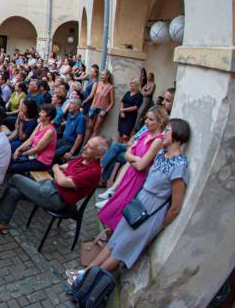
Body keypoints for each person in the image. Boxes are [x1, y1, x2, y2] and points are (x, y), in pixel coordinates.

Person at [70, 119, 190, 280]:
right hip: (140, 201)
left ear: (177, 135)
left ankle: (88, 280)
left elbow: (175, 206)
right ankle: (86, 272)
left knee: (121, 250)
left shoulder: (179, 164)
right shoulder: (162, 154)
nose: (163, 134)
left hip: (151, 210)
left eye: (167, 130)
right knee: (114, 241)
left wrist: (160, 224)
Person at [0, 136, 107, 234]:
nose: (84, 147)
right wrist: (60, 172)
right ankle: (2, 224)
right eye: (86, 144)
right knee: (13, 192)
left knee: (16, 178)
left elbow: (62, 181)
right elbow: (65, 168)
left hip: (56, 199)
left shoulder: (93, 172)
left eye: (90, 147)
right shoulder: (84, 158)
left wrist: (56, 168)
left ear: (98, 155)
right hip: (50, 187)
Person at [96, 106, 168, 228]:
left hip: (137, 182)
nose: (146, 121)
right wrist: (136, 159)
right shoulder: (145, 134)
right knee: (108, 213)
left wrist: (133, 159)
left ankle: (112, 238)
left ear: (160, 123)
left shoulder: (158, 141)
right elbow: (127, 155)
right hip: (128, 176)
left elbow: (141, 167)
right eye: (146, 118)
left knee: (117, 216)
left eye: (151, 119)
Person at [100, 88, 175, 184]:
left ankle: (102, 175)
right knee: (116, 146)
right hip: (135, 145)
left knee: (115, 154)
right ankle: (101, 172)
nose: (162, 102)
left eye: (167, 100)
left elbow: (141, 163)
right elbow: (139, 134)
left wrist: (132, 151)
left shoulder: (165, 127)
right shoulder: (151, 121)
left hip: (138, 151)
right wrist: (132, 141)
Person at [7, 103, 58, 174]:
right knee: (10, 161)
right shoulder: (40, 124)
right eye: (40, 111)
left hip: (41, 161)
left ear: (48, 117)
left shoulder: (50, 131)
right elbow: (30, 140)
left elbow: (37, 149)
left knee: (13, 167)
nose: (39, 114)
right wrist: (18, 149)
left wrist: (22, 154)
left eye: (42, 112)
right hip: (32, 155)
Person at [85, 70, 115, 139]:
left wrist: (106, 111)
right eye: (101, 75)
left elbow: (112, 102)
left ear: (107, 76)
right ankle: (84, 143)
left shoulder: (110, 87)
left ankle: (90, 144)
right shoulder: (99, 84)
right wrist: (92, 105)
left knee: (96, 129)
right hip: (94, 107)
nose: (101, 76)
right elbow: (95, 96)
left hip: (102, 109)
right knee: (89, 126)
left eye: (103, 75)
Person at [55, 98, 87, 163]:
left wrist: (71, 152)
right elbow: (67, 122)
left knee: (55, 154)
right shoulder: (70, 114)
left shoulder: (81, 118)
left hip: (70, 144)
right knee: (49, 147)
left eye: (71, 103)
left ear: (77, 107)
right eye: (69, 103)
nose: (69, 105)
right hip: (63, 140)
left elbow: (79, 137)